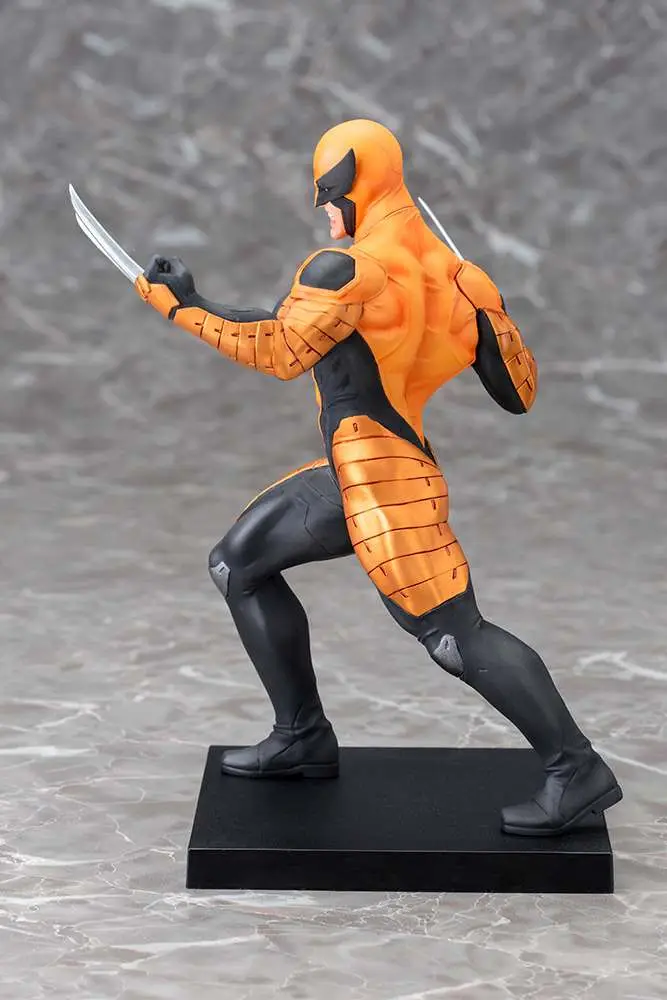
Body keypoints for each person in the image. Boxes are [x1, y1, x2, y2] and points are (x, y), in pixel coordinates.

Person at [134, 118, 622, 836]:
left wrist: (178, 304)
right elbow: (517, 393)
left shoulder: (344, 270)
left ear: (351, 185)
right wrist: (489, 307)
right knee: (238, 563)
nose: (326, 214)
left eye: (328, 197)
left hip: (384, 484)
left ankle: (575, 768)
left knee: (454, 634)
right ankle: (301, 736)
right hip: (364, 467)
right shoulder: (455, 275)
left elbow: (278, 350)